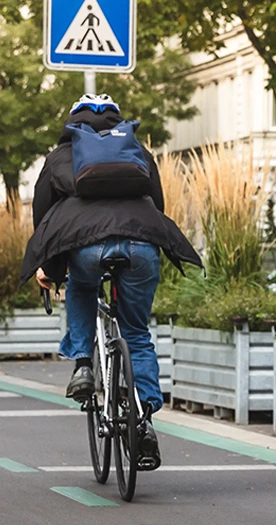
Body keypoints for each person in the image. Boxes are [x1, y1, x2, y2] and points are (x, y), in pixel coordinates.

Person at [20, 94, 201, 470]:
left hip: (85, 247)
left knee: (82, 288)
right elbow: (158, 204)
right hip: (141, 243)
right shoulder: (135, 150)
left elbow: (45, 217)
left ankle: (84, 365)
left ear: (73, 121)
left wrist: (49, 269)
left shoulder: (59, 157)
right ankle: (144, 419)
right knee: (135, 332)